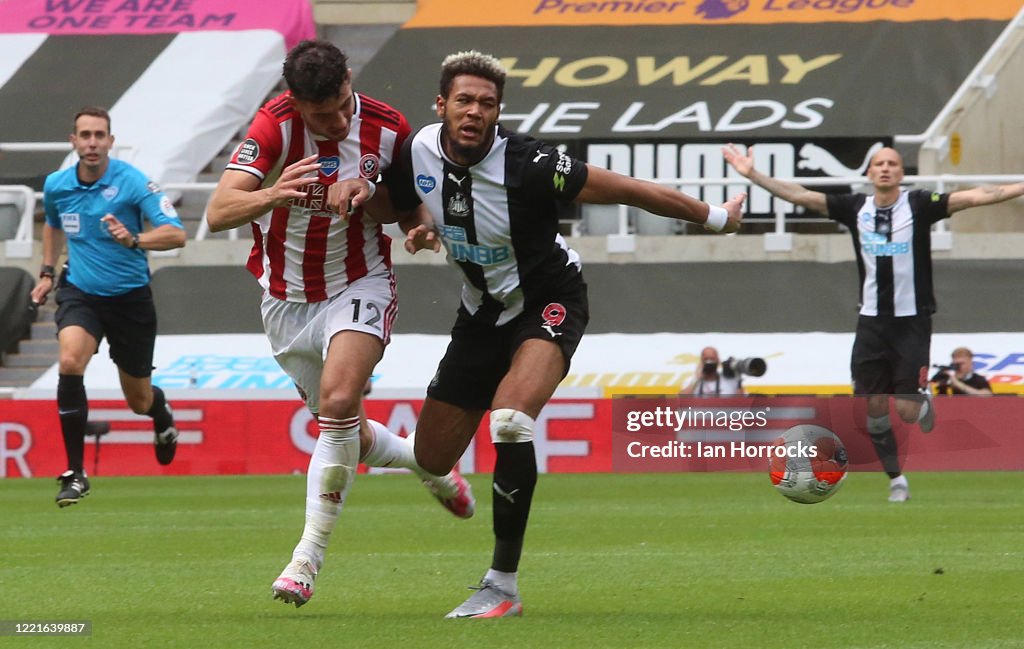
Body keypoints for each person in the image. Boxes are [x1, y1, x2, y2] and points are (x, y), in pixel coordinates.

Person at [355, 50, 744, 618]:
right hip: (481, 313)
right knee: (433, 459)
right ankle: (404, 457)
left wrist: (714, 216)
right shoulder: (414, 150)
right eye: (463, 100)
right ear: (441, 105)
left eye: (487, 104)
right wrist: (417, 229)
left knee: (511, 420)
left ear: (498, 112)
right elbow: (401, 207)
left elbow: (627, 189)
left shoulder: (532, 163)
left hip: (550, 301)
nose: (474, 112)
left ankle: (501, 585)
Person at [205, 39, 474, 609]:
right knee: (343, 427)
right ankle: (430, 466)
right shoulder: (273, 128)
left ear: (350, 80)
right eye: (322, 114)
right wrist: (279, 192)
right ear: (294, 102)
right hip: (285, 302)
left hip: (360, 281)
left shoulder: (388, 126)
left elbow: (405, 208)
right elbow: (218, 210)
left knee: (339, 399)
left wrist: (404, 217)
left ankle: (306, 559)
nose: (338, 119)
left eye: (343, 103)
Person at [722, 143, 1024, 502]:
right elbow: (801, 194)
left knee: (907, 412)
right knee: (874, 408)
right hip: (871, 323)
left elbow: (979, 195)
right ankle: (896, 478)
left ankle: (921, 397)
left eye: (892, 163)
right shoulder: (855, 208)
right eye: (878, 163)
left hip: (912, 321)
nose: (885, 168)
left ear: (901, 173)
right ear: (869, 173)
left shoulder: (919, 205)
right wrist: (753, 174)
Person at [30, 106, 186, 508]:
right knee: (69, 361)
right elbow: (52, 223)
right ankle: (75, 473)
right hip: (81, 292)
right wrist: (47, 273)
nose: (92, 142)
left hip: (130, 300)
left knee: (138, 401)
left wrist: (134, 240)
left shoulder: (133, 184)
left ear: (111, 142)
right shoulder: (57, 184)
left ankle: (161, 413)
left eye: (100, 135)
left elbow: (175, 234)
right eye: (85, 135)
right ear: (74, 141)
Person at [680, 346, 746, 396]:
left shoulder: (729, 380)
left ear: (718, 361)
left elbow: (742, 403)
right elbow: (681, 400)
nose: (709, 362)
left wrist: (738, 380)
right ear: (701, 362)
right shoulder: (692, 381)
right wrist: (696, 379)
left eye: (712, 359)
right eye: (706, 359)